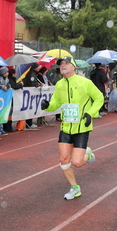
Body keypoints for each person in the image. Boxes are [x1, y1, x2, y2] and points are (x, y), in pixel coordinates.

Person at [40, 56, 104, 200]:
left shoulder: (85, 82)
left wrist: (90, 113)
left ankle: (89, 155)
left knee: (77, 162)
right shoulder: (59, 85)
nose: (63, 65)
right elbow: (55, 103)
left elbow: (99, 97)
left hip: (81, 127)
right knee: (63, 159)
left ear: (73, 67)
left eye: (66, 63)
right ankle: (75, 187)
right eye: (61, 64)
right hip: (65, 127)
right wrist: (47, 106)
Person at [23, 62, 43, 128]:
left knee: (30, 108)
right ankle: (29, 123)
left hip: (30, 93)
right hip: (30, 93)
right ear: (35, 68)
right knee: (29, 108)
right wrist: (38, 84)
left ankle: (29, 123)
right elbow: (32, 83)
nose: (39, 68)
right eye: (38, 67)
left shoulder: (33, 73)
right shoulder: (32, 74)